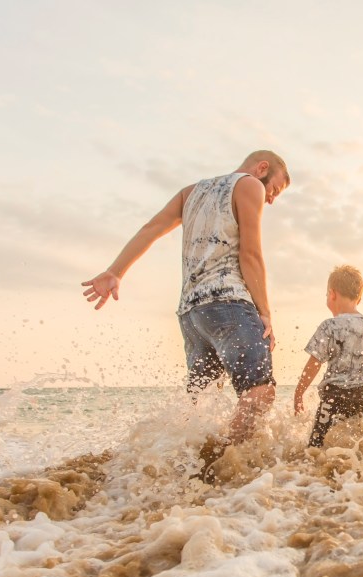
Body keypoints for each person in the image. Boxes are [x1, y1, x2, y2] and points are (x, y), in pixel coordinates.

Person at [81, 150, 290, 446]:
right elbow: (251, 254)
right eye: (274, 190)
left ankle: (182, 468)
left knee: (199, 406)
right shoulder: (249, 185)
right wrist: (265, 312)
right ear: (262, 168)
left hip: (192, 317)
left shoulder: (190, 193)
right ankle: (224, 470)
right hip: (228, 303)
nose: (270, 198)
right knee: (259, 391)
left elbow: (151, 229)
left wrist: (116, 271)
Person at [293, 265, 363, 455]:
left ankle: (310, 474)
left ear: (332, 294)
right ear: (359, 298)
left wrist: (299, 391)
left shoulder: (329, 325)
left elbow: (314, 363)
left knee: (315, 443)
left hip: (333, 395)